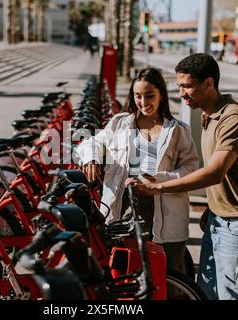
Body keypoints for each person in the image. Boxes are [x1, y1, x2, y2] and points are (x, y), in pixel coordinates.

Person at [126, 54, 238, 300]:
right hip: (220, 219)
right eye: (179, 87)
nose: (182, 93)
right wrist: (213, 207)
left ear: (208, 84)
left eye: (187, 86)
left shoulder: (234, 118)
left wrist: (160, 187)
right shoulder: (209, 116)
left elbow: (215, 172)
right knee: (206, 293)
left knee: (235, 296)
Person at [76, 68, 199, 290]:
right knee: (124, 276)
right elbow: (91, 142)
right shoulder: (120, 123)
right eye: (138, 96)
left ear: (161, 94)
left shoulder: (179, 130)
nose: (143, 102)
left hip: (166, 214)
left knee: (168, 281)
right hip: (124, 211)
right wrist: (91, 159)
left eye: (150, 95)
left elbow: (190, 170)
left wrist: (155, 181)